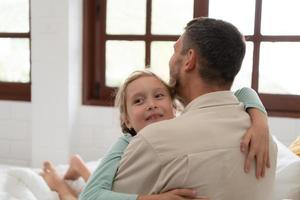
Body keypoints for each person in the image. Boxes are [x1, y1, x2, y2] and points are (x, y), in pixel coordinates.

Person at [107, 18, 277, 200]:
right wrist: (260, 116)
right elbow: (243, 94)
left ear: (189, 59)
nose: (170, 60)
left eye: (175, 51)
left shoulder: (154, 140)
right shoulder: (266, 142)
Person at [42, 69, 269, 200]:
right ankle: (58, 183)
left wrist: (260, 120)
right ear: (127, 119)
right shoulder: (125, 143)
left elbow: (242, 92)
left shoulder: (184, 128)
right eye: (138, 101)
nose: (151, 104)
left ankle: (79, 166)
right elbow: (90, 197)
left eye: (159, 96)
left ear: (174, 106)